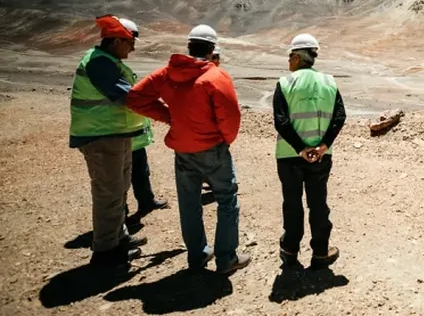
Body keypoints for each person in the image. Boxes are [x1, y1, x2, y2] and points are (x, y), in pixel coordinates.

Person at [126, 24, 250, 273]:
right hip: (213, 147)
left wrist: (171, 117)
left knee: (189, 202)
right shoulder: (216, 76)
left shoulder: (167, 74)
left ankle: (198, 255)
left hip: (183, 149)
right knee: (227, 199)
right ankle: (226, 258)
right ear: (212, 48)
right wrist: (225, 139)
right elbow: (230, 117)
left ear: (189, 46)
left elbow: (135, 98)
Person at [69, 15, 148, 267]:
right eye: (129, 43)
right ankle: (105, 253)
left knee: (119, 188)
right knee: (109, 195)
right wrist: (167, 111)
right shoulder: (99, 64)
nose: (132, 48)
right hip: (101, 137)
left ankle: (119, 238)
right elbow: (128, 97)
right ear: (115, 41)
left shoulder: (109, 60)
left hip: (115, 135)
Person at [273, 33, 346, 269]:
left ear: (296, 57)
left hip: (289, 156)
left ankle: (290, 250)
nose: (288, 62)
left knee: (292, 203)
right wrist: (323, 145)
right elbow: (339, 116)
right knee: (318, 203)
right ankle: (321, 252)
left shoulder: (285, 83)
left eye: (289, 57)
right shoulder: (329, 82)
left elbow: (281, 121)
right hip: (321, 157)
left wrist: (300, 148)